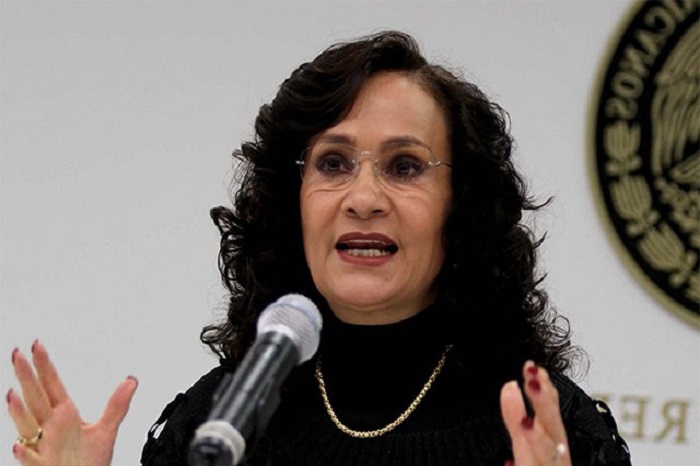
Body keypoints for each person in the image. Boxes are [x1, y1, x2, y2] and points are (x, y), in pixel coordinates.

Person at [7, 31, 632, 466]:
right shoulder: (220, 425)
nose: (363, 198)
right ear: (293, 202)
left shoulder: (545, 432)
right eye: (333, 163)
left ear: (459, 205)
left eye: (405, 166)